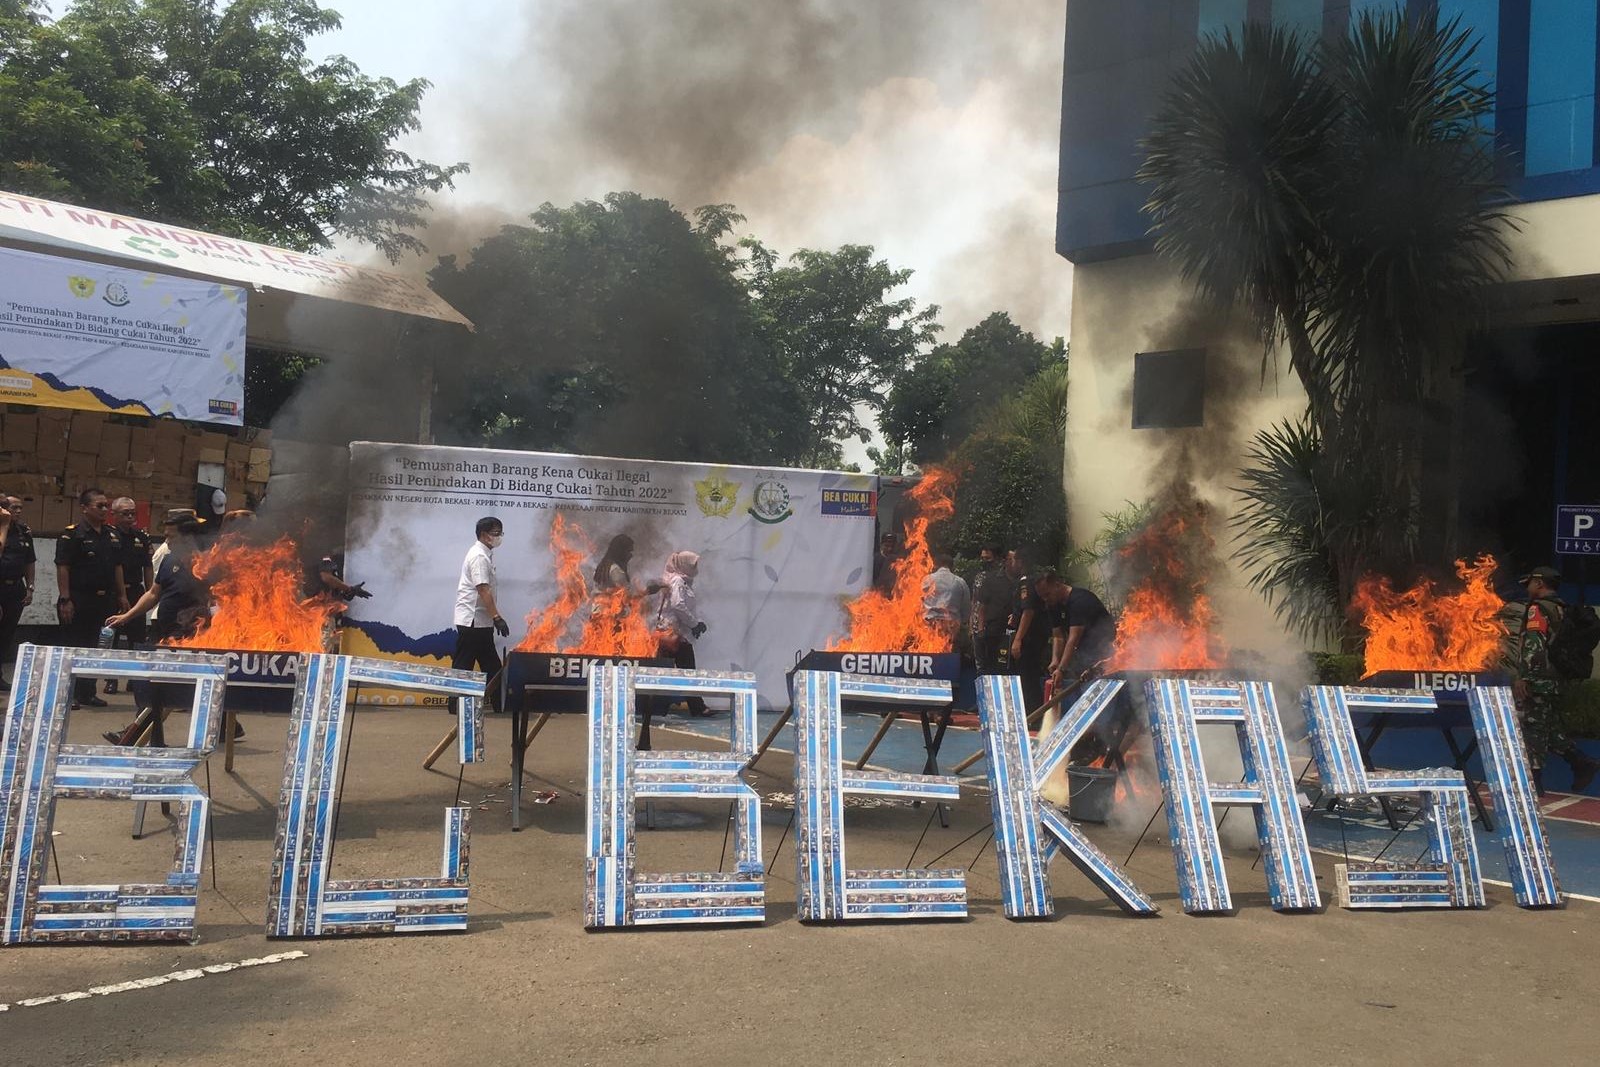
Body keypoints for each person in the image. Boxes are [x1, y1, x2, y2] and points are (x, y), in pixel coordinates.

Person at [101, 517, 227, 744]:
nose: (166, 541)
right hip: (164, 631)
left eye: (171, 536)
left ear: (188, 537)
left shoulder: (209, 563)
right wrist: (127, 616)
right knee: (154, 686)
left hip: (190, 636)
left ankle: (135, 736)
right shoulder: (169, 560)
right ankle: (146, 737)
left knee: (162, 688)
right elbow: (153, 594)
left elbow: (222, 598)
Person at [1501, 565, 1600, 794]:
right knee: (1548, 727)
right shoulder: (1562, 608)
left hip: (1540, 679)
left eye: (1530, 583)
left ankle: (1533, 783)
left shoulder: (1538, 610)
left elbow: (1534, 646)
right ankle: (1581, 762)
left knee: (1533, 727)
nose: (1528, 588)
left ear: (1540, 583)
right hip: (1557, 679)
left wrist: (1524, 678)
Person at [55, 487, 128, 709]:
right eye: (100, 505)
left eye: (107, 505)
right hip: (79, 599)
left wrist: (122, 595)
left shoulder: (112, 534)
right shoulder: (72, 534)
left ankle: (87, 692)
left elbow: (117, 567)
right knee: (74, 647)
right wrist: (65, 599)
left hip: (104, 600)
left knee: (97, 647)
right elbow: (63, 568)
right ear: (84, 508)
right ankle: (69, 695)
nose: (105, 509)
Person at [453, 516, 508, 710]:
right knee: (465, 665)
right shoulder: (478, 556)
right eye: (496, 533)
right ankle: (456, 705)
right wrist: (497, 617)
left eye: (501, 533)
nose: (500, 537)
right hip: (472, 621)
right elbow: (483, 589)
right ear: (484, 535)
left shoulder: (484, 554)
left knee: (489, 664)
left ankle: (499, 703)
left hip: (480, 622)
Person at [103, 497, 153, 694]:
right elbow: (116, 566)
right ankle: (111, 679)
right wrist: (121, 594)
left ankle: (134, 679)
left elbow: (147, 566)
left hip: (135, 591)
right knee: (112, 638)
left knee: (137, 638)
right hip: (114, 592)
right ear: (113, 514)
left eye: (133, 512)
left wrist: (150, 591)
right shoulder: (108, 535)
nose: (131, 516)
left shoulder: (141, 536)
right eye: (125, 513)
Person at [653, 551, 710, 717]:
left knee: (664, 670)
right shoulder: (678, 581)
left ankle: (657, 705)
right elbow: (678, 605)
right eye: (693, 565)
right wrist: (694, 624)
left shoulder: (681, 581)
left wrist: (695, 624)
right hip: (674, 634)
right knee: (687, 670)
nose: (696, 569)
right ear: (684, 565)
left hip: (673, 632)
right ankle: (697, 707)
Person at [1044, 572, 1117, 687]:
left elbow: (1073, 639)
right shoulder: (1053, 604)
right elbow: (1058, 637)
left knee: (1097, 685)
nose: (1045, 599)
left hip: (1102, 647)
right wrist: (1055, 661)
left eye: (1047, 594)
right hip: (1084, 651)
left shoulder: (1079, 600)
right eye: (1042, 596)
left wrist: (1061, 669)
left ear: (1057, 585)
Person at [0, 494, 36, 690]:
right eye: (13, 507)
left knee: (7, 634)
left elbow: (29, 561)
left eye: (20, 508)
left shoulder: (24, 532)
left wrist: (30, 587)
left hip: (15, 587)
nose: (17, 511)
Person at [1007, 549, 1048, 714]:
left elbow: (1029, 611)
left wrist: (1018, 639)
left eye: (1013, 560)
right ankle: (1031, 713)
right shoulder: (1033, 581)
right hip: (1033, 636)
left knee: (1027, 678)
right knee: (1027, 677)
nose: (1012, 564)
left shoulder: (1026, 582)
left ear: (1021, 562)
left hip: (1029, 638)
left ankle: (1033, 715)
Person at [969, 543, 1012, 674]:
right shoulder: (979, 576)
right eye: (982, 558)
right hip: (978, 628)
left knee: (996, 665)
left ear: (998, 558)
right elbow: (975, 601)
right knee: (980, 666)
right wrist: (972, 624)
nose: (984, 562)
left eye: (988, 559)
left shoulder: (1003, 578)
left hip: (994, 628)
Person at [921, 550, 970, 653]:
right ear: (952, 567)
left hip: (930, 623)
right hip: (952, 625)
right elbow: (966, 606)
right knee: (949, 654)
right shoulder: (960, 582)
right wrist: (964, 621)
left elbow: (917, 601)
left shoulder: (927, 579)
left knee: (929, 654)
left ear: (935, 565)